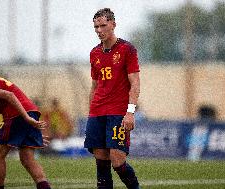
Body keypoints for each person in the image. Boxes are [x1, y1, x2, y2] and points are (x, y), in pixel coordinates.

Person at [84, 8, 141, 189]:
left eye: (103, 25)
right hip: (97, 113)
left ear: (113, 25)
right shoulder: (94, 53)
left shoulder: (127, 49)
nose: (99, 30)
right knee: (101, 162)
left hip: (118, 112)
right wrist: (90, 113)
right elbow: (95, 85)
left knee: (117, 161)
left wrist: (130, 112)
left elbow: (135, 83)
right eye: (96, 27)